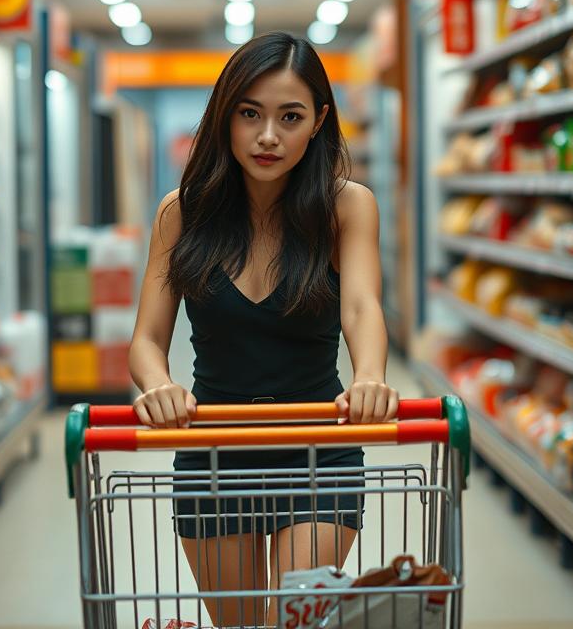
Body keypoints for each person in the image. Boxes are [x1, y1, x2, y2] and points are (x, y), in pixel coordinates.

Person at [128, 31, 398, 627]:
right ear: (224, 118)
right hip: (212, 451)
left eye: (290, 116)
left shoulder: (347, 206)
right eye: (250, 114)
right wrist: (156, 386)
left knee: (297, 622)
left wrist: (371, 376)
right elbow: (147, 339)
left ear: (318, 122)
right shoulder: (182, 213)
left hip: (319, 450)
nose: (268, 135)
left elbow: (360, 306)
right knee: (241, 624)